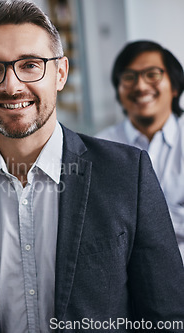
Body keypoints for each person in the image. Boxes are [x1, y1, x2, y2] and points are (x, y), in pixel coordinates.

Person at [0, 1, 184, 333]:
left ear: (60, 73)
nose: (11, 86)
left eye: (30, 65)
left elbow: (167, 317)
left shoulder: (126, 173)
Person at [97, 40, 184, 261]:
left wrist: (135, 220)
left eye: (152, 74)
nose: (141, 86)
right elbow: (102, 228)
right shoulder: (101, 148)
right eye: (129, 77)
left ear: (174, 86)